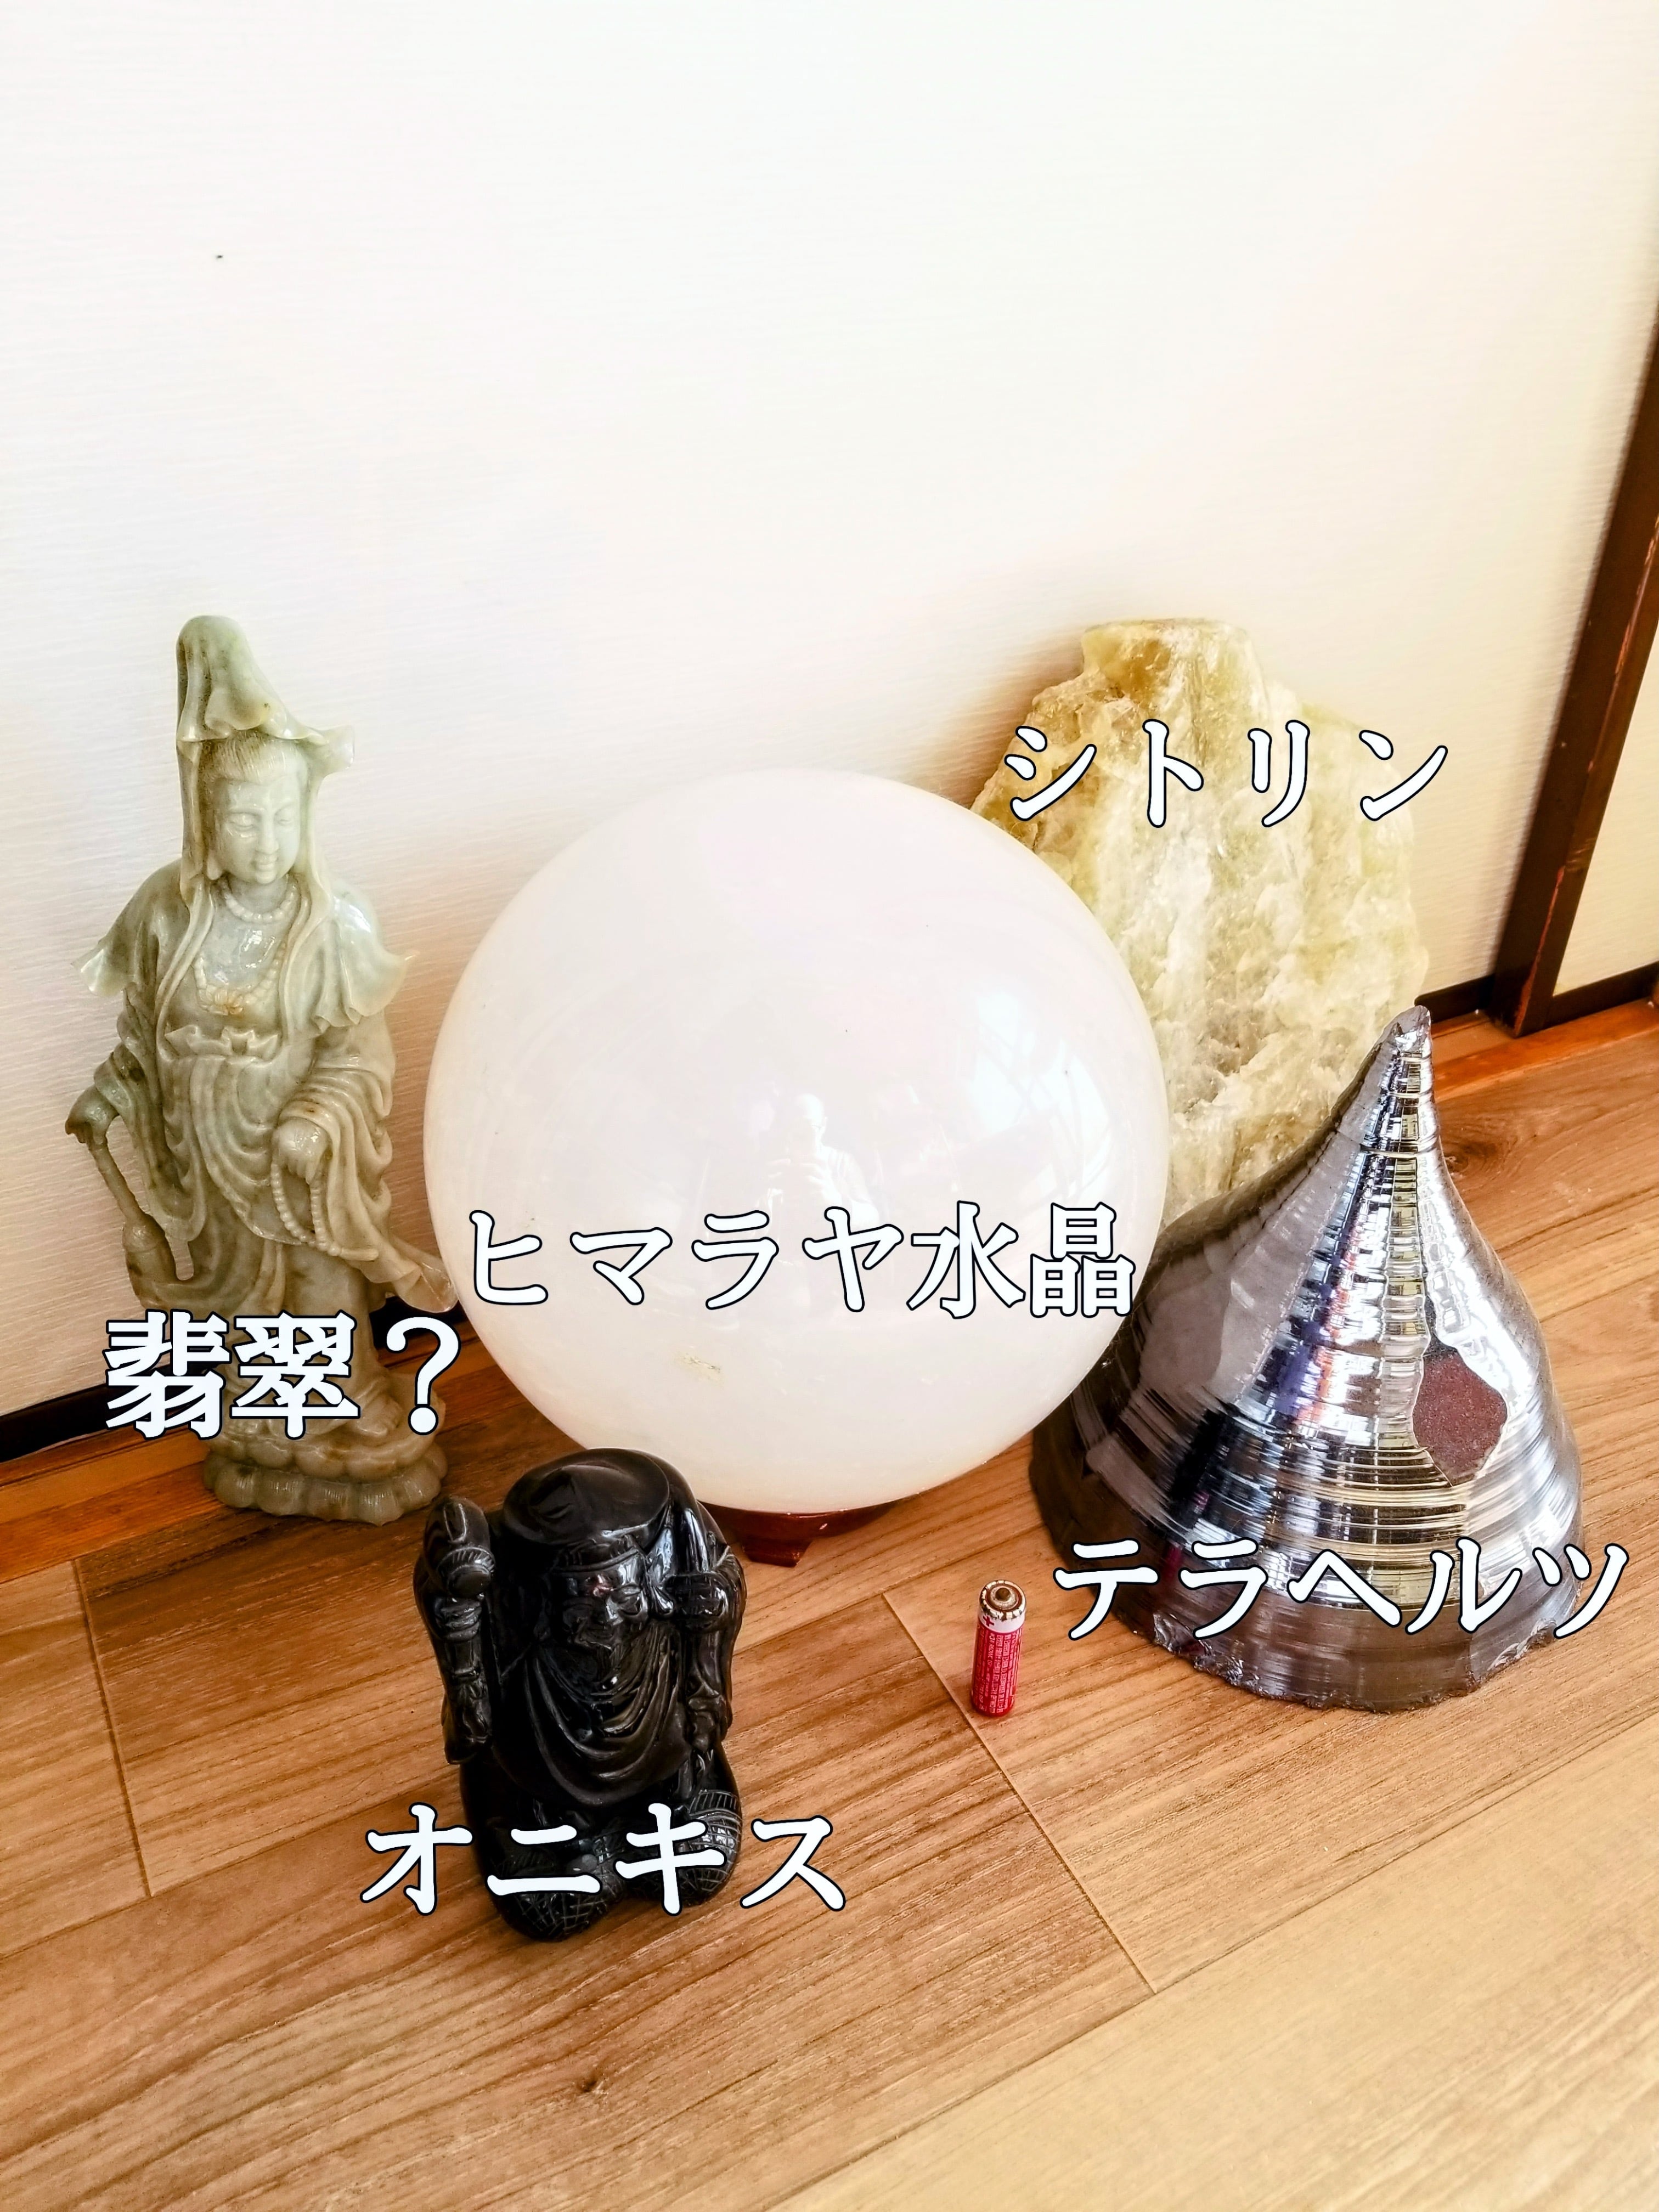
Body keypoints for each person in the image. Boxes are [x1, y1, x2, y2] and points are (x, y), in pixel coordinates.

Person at [67, 617, 453, 1522]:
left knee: (319, 1291)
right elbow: (147, 1033)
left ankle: (346, 1414)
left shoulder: (334, 923)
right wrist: (114, 1090)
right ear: (207, 818)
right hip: (206, 1161)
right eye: (245, 818)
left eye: (285, 816)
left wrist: (315, 1118)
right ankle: (271, 1421)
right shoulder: (167, 913)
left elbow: (358, 1051)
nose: (268, 839)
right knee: (239, 1305)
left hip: (294, 1167)